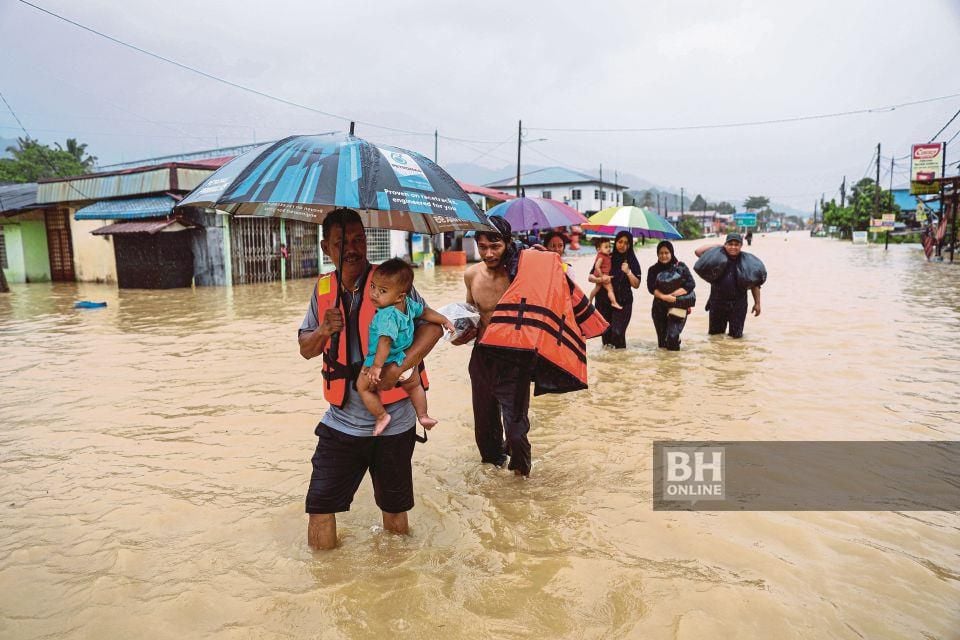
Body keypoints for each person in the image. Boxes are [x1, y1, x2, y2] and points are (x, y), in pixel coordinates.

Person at [297, 209, 443, 550]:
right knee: (319, 507)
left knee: (394, 512)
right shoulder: (322, 291)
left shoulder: (391, 282)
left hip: (395, 423)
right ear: (325, 247)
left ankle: (394, 584)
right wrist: (323, 330)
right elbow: (306, 349)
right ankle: (325, 587)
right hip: (342, 422)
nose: (352, 248)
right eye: (341, 242)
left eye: (358, 240)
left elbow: (432, 327)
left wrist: (399, 368)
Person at [454, 217, 534, 476]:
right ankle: (493, 482)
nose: (488, 253)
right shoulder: (471, 275)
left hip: (515, 357)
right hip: (482, 356)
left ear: (508, 243)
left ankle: (522, 481)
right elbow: (472, 316)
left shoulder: (521, 274)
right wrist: (460, 332)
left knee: (515, 429)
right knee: (485, 429)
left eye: (495, 246)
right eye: (482, 246)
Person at [356, 258, 455, 435]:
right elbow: (425, 312)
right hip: (407, 361)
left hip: (385, 361)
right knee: (415, 387)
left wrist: (377, 367)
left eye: (382, 291)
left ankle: (381, 416)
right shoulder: (409, 305)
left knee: (362, 387)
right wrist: (445, 320)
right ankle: (423, 416)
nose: (374, 294)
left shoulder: (386, 315)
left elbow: (384, 342)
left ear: (400, 296)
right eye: (372, 286)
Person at [694, 232, 762, 339]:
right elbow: (698, 252)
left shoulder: (747, 262)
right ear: (725, 244)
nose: (733, 247)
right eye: (730, 244)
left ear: (741, 246)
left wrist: (757, 303)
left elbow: (755, 284)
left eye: (736, 244)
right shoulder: (716, 258)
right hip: (717, 303)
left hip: (739, 304)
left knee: (736, 338)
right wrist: (718, 245)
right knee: (715, 337)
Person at [591, 231, 642, 349]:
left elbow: (636, 284)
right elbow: (591, 277)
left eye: (626, 243)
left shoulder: (632, 261)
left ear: (630, 245)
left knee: (618, 334)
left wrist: (628, 272)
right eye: (620, 242)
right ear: (616, 242)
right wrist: (601, 279)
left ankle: (622, 363)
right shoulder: (606, 256)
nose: (622, 245)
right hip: (603, 302)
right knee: (606, 337)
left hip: (623, 303)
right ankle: (610, 366)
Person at [647, 240, 696, 351]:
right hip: (659, 307)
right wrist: (664, 297)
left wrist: (674, 295)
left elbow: (691, 284)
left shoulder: (681, 267)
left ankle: (675, 366)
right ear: (657, 254)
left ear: (671, 253)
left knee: (672, 338)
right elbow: (651, 288)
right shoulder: (653, 270)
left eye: (666, 253)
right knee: (662, 344)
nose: (663, 256)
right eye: (661, 253)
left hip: (677, 306)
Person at [588, 238, 622, 310]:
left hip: (601, 275)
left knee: (596, 289)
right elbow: (597, 267)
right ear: (599, 249)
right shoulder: (601, 257)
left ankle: (589, 301)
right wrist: (602, 276)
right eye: (606, 247)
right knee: (610, 289)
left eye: (609, 246)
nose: (609, 249)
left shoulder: (606, 256)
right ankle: (614, 302)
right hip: (601, 275)